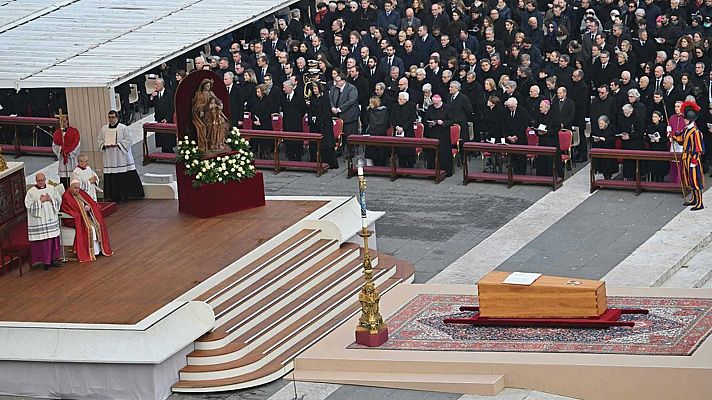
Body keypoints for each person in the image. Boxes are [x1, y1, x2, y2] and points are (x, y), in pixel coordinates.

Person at [98, 110, 145, 203]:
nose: (111, 119)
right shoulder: (104, 129)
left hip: (120, 156)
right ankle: (112, 196)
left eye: (113, 117)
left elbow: (129, 140)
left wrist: (118, 144)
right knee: (111, 175)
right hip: (110, 156)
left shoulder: (123, 128)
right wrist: (104, 145)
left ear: (117, 118)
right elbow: (99, 140)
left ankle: (124, 195)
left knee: (122, 175)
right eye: (109, 117)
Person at [61, 180, 113, 262]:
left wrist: (89, 207)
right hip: (73, 219)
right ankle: (90, 252)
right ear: (70, 187)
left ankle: (98, 250)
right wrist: (82, 210)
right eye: (75, 188)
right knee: (90, 228)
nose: (77, 190)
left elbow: (90, 202)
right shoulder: (66, 196)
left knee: (98, 224)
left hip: (84, 216)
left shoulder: (80, 192)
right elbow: (68, 210)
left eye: (78, 188)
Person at [24, 173, 62, 270]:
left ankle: (53, 259)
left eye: (42, 180)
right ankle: (45, 262)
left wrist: (50, 199)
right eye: (39, 180)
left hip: (51, 218)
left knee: (53, 239)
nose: (41, 182)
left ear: (45, 179)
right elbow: (28, 206)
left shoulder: (51, 188)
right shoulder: (31, 192)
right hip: (40, 221)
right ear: (36, 181)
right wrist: (40, 201)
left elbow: (59, 200)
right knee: (44, 242)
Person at [672, 101, 705, 210]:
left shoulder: (695, 132)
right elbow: (681, 140)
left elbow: (699, 149)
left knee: (696, 181)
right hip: (686, 157)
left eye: (685, 119)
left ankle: (699, 202)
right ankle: (694, 199)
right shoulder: (686, 129)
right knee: (690, 180)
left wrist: (694, 162)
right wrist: (673, 136)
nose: (684, 120)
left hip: (692, 159)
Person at [308, 82, 339, 169]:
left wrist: (320, 120)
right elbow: (310, 110)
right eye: (313, 89)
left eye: (315, 88)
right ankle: (315, 162)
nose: (314, 91)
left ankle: (328, 162)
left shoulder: (325, 98)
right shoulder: (313, 98)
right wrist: (312, 119)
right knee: (314, 144)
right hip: (315, 124)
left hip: (324, 124)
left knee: (326, 144)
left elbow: (326, 111)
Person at [424, 94, 452, 176]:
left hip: (443, 134)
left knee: (443, 153)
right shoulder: (430, 108)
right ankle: (432, 171)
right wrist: (430, 123)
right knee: (432, 153)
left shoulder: (447, 108)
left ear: (440, 101)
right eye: (434, 103)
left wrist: (443, 122)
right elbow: (426, 119)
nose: (435, 105)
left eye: (436, 103)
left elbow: (451, 121)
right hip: (433, 133)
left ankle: (445, 171)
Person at [51, 113, 80, 188]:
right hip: (62, 160)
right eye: (61, 122)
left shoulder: (74, 132)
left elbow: (77, 144)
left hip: (71, 159)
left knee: (73, 178)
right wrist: (61, 150)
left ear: (67, 121)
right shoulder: (57, 133)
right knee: (64, 181)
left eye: (64, 121)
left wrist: (68, 152)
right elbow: (54, 146)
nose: (62, 123)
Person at [390, 91, 417, 167]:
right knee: (400, 150)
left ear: (406, 100)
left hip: (408, 131)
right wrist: (397, 127)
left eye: (401, 99)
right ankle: (402, 167)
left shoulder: (411, 106)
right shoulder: (395, 106)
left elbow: (412, 118)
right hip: (398, 131)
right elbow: (392, 118)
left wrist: (403, 127)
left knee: (409, 149)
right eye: (398, 99)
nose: (399, 100)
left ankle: (410, 167)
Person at [150, 78, 176, 153]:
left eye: (157, 85)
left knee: (168, 137)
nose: (155, 86)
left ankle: (169, 150)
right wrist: (152, 97)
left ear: (162, 85)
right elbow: (151, 105)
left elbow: (172, 108)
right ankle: (163, 150)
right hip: (159, 117)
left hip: (167, 118)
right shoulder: (155, 93)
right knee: (161, 136)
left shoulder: (169, 94)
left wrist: (167, 118)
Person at [591, 115, 618, 180]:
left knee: (607, 165)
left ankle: (608, 177)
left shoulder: (611, 128)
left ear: (606, 123)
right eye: (599, 123)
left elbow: (614, 138)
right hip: (598, 148)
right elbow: (591, 137)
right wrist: (594, 140)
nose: (600, 125)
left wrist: (605, 139)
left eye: (602, 123)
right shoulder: (596, 128)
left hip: (609, 149)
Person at [645, 111, 669, 182]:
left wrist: (660, 140)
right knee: (653, 166)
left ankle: (661, 180)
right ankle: (653, 181)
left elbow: (666, 138)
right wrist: (650, 140)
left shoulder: (664, 126)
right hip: (652, 148)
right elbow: (646, 138)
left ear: (659, 118)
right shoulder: (650, 126)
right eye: (653, 117)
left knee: (660, 166)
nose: (654, 118)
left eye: (656, 117)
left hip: (661, 148)